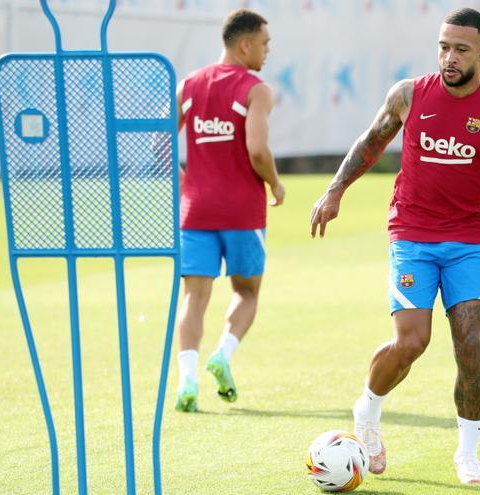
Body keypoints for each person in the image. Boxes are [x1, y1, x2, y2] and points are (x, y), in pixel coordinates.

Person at [310, 8, 480, 484]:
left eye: (461, 49)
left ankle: (467, 453)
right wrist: (335, 190)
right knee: (412, 342)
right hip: (412, 235)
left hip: (470, 241)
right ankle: (368, 410)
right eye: (444, 46)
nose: (449, 57)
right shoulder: (408, 95)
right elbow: (368, 142)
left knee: (470, 344)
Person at [173, 8, 285, 412]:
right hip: (242, 212)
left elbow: (161, 143)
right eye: (264, 43)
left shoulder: (189, 84)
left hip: (196, 211)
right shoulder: (256, 89)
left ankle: (186, 380)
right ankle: (222, 355)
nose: (267, 50)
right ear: (244, 44)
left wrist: (187, 182)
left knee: (194, 298)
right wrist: (275, 182)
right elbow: (257, 149)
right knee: (246, 291)